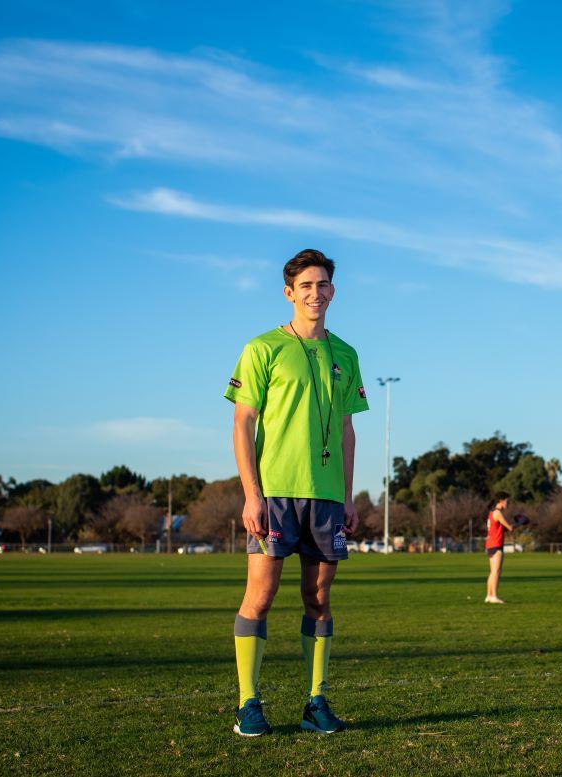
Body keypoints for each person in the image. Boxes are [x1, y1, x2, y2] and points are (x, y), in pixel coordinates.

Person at [224, 249, 370, 737]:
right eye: (306, 286)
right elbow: (243, 423)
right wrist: (251, 494)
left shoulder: (346, 354)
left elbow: (348, 431)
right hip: (275, 496)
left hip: (327, 499)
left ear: (333, 291)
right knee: (260, 597)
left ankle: (316, 702)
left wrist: (349, 496)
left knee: (319, 598)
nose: (315, 293)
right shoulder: (262, 348)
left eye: (323, 284)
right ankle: (249, 702)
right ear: (289, 293)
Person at [484, 492, 513, 604]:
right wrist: (520, 522)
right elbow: (509, 528)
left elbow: (501, 528)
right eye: (507, 500)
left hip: (490, 544)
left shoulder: (492, 513)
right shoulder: (498, 513)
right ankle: (494, 596)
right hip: (496, 544)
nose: (508, 503)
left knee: (492, 572)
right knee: (496, 571)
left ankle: (489, 595)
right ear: (501, 501)